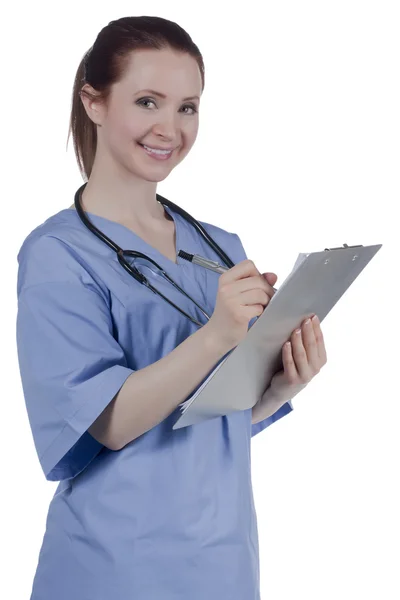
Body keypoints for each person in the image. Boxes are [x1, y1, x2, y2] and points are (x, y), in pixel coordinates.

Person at [16, 15, 327, 600]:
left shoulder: (219, 247)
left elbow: (203, 426)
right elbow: (104, 424)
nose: (170, 127)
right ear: (94, 102)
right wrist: (215, 335)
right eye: (148, 101)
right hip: (113, 567)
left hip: (224, 563)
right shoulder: (58, 255)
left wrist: (277, 390)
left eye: (188, 107)